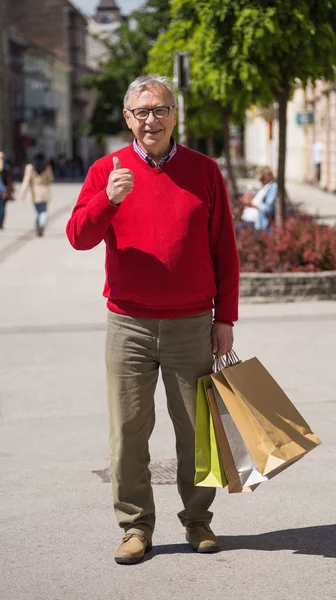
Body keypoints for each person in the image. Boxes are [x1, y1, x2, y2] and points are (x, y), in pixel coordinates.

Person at [66, 75, 240, 565]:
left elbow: (224, 250)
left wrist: (224, 318)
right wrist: (109, 199)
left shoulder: (204, 171)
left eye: (160, 110)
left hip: (191, 324)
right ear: (128, 118)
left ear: (173, 115)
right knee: (128, 431)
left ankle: (198, 519)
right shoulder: (107, 169)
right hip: (130, 326)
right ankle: (135, 526)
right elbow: (78, 235)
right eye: (141, 111)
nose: (151, 120)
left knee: (197, 431)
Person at [20, 152, 54, 236]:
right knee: (44, 211)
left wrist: (23, 192)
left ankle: (38, 227)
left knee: (37, 212)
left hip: (35, 192)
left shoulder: (30, 167)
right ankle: (42, 224)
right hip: (45, 191)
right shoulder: (46, 167)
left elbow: (26, 180)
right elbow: (51, 179)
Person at [239, 166, 277, 231]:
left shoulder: (274, 187)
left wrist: (251, 204)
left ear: (268, 175)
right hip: (251, 221)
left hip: (258, 224)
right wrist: (251, 198)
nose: (260, 181)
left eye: (262, 178)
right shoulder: (268, 186)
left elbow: (268, 208)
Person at [0, 150, 14, 230]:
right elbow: (9, 180)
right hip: (4, 190)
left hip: (3, 190)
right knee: (2, 207)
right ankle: (1, 223)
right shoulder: (6, 167)